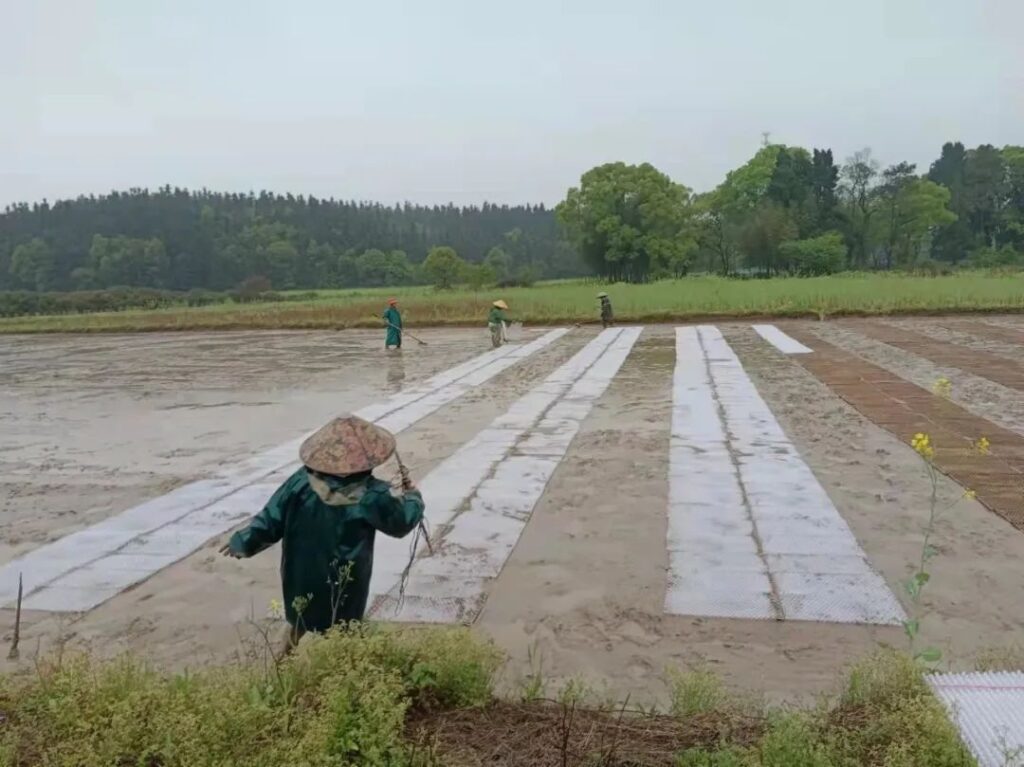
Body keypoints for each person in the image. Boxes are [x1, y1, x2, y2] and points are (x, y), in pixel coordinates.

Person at [220, 415, 424, 656]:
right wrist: (413, 498)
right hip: (347, 575)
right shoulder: (372, 495)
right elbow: (400, 523)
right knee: (347, 623)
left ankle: (283, 664)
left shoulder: (299, 483)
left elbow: (270, 519)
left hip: (303, 572)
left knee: (301, 618)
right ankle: (347, 672)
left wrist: (242, 542)